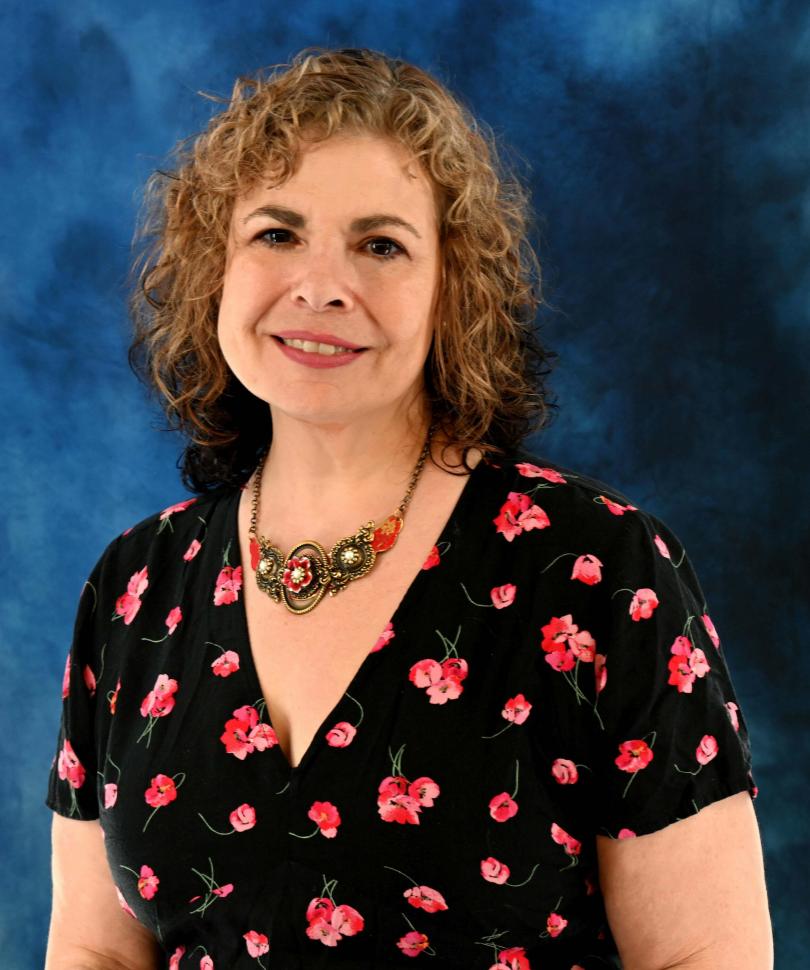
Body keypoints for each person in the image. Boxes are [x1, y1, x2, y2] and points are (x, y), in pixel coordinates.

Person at [44, 46, 772, 970]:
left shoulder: (599, 573)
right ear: (213, 268)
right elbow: (97, 950)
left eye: (380, 245)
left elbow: (703, 954)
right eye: (276, 234)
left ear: (452, 292)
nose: (319, 286)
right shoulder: (134, 589)